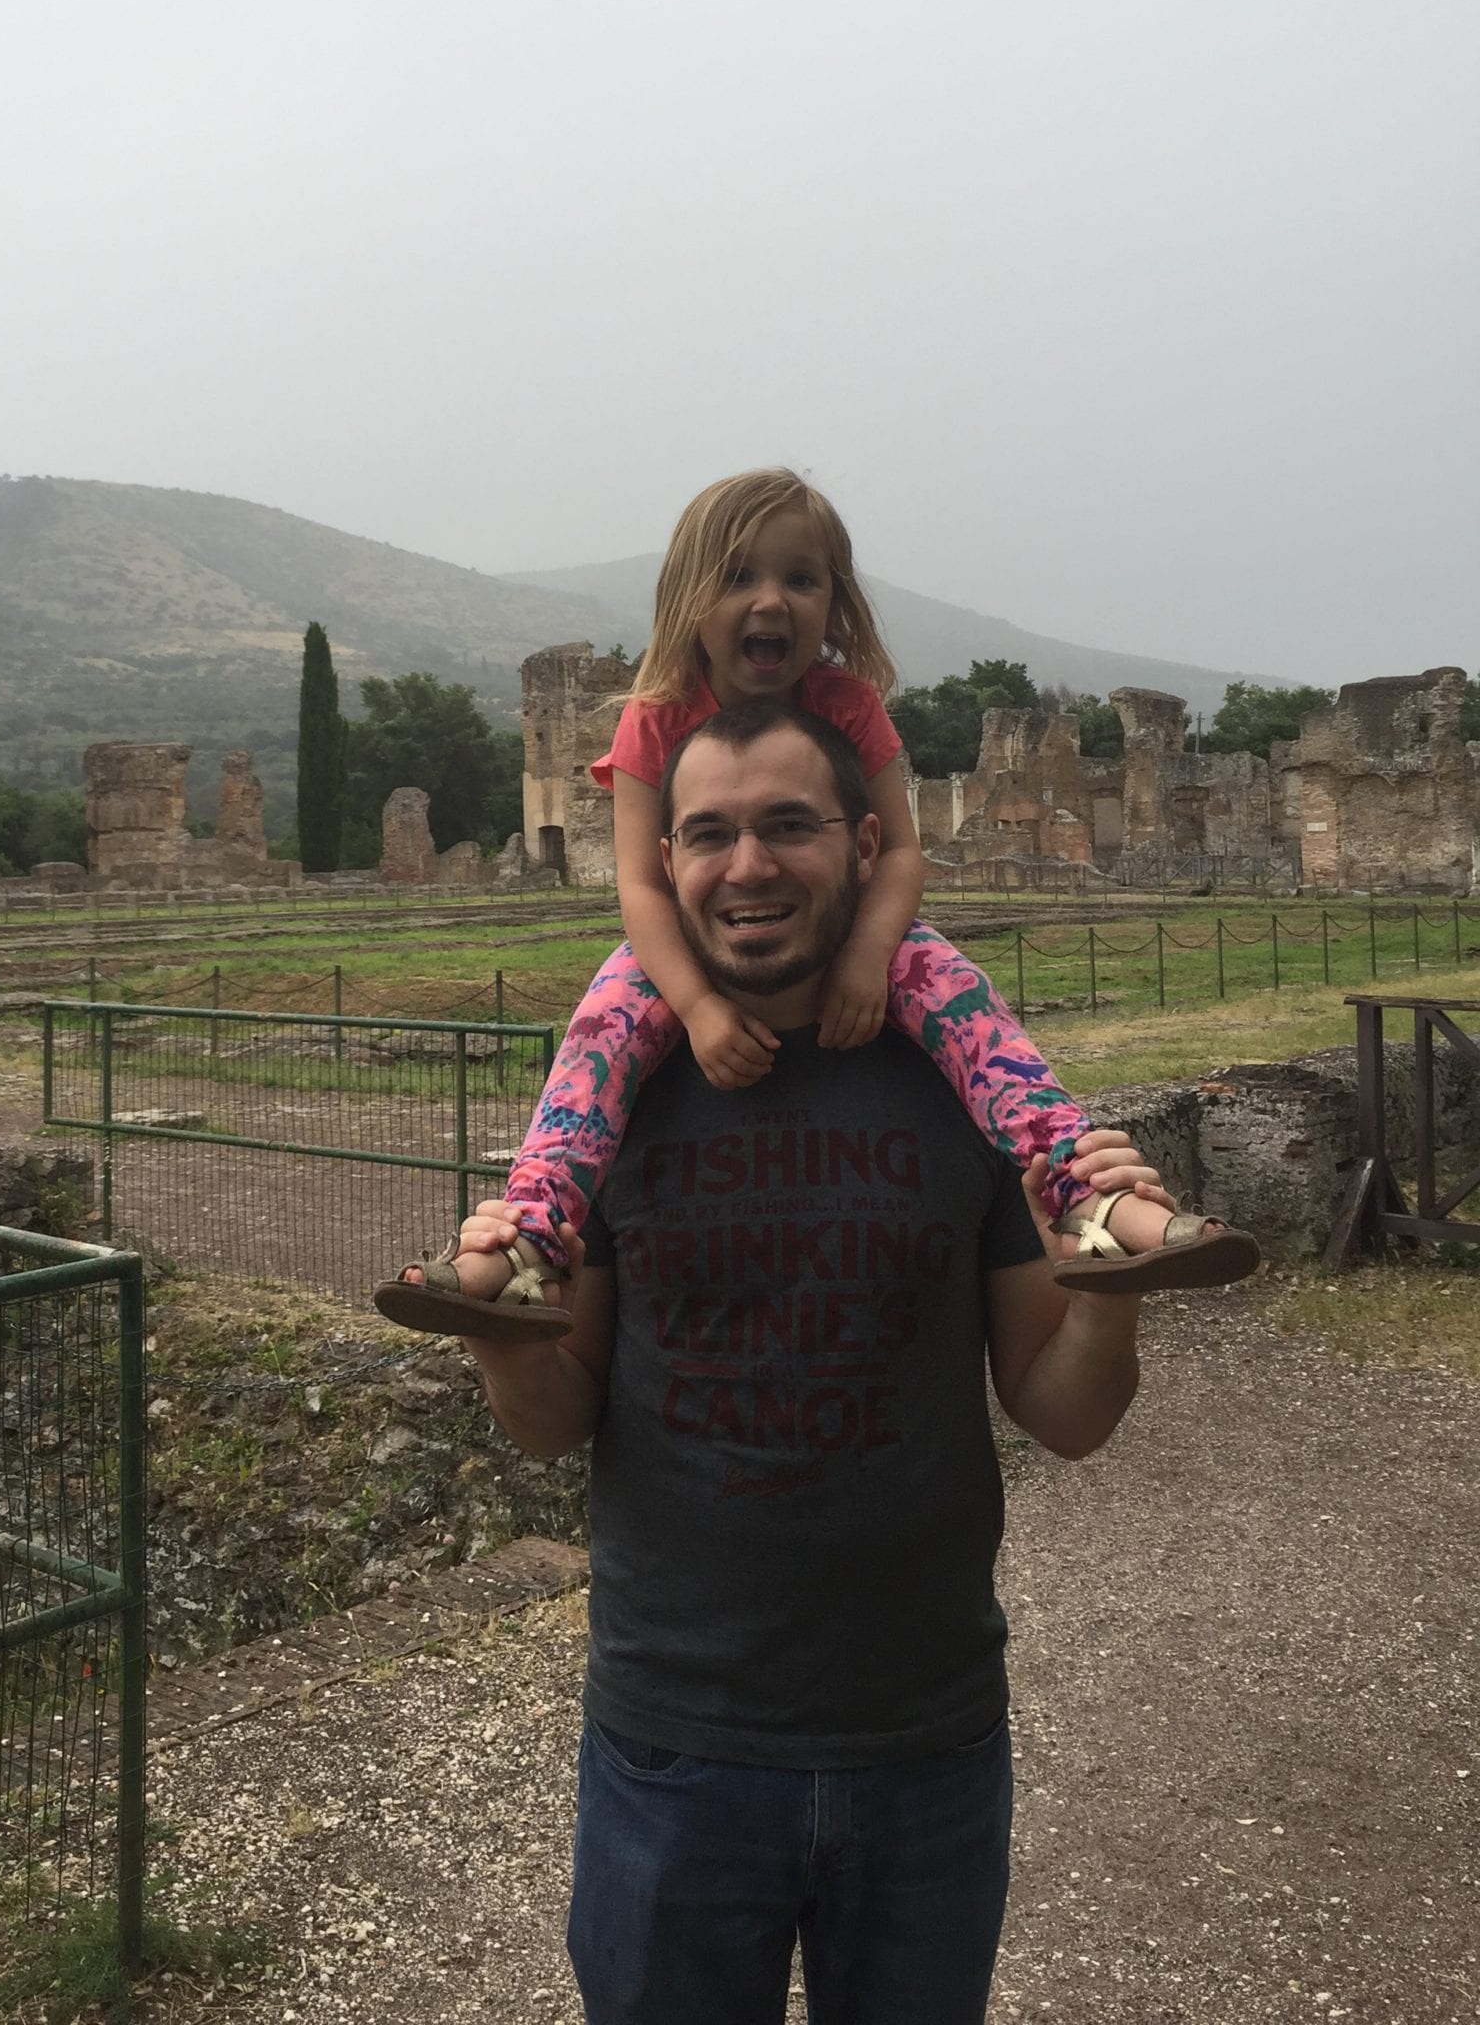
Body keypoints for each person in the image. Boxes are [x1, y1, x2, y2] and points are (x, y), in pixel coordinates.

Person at [465, 697, 1164, 2023]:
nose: (748, 866)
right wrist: (502, 1340)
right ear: (663, 863)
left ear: (861, 841)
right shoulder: (618, 1096)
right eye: (708, 834)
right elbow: (559, 1419)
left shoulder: (957, 1077)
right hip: (676, 1742)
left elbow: (1062, 1414)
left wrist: (1110, 1297)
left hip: (928, 1740)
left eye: (786, 825)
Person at [376, 465, 1255, 1344]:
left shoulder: (847, 702)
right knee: (594, 1051)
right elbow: (643, 883)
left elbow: (901, 851)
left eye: (801, 578)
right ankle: (526, 1240)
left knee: (980, 1025)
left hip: (859, 923)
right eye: (739, 576)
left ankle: (1090, 1199)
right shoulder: (658, 712)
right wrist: (698, 1005)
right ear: (689, 599)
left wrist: (870, 955)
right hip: (687, 948)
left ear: (834, 602)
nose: (772, 600)